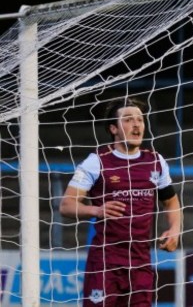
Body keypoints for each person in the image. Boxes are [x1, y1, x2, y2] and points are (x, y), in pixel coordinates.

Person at [60, 96, 182, 307]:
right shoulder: (96, 162)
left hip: (141, 262)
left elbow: (170, 201)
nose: (136, 124)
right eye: (127, 119)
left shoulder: (156, 161)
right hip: (105, 262)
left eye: (140, 119)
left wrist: (174, 229)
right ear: (113, 129)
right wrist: (97, 210)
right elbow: (66, 205)